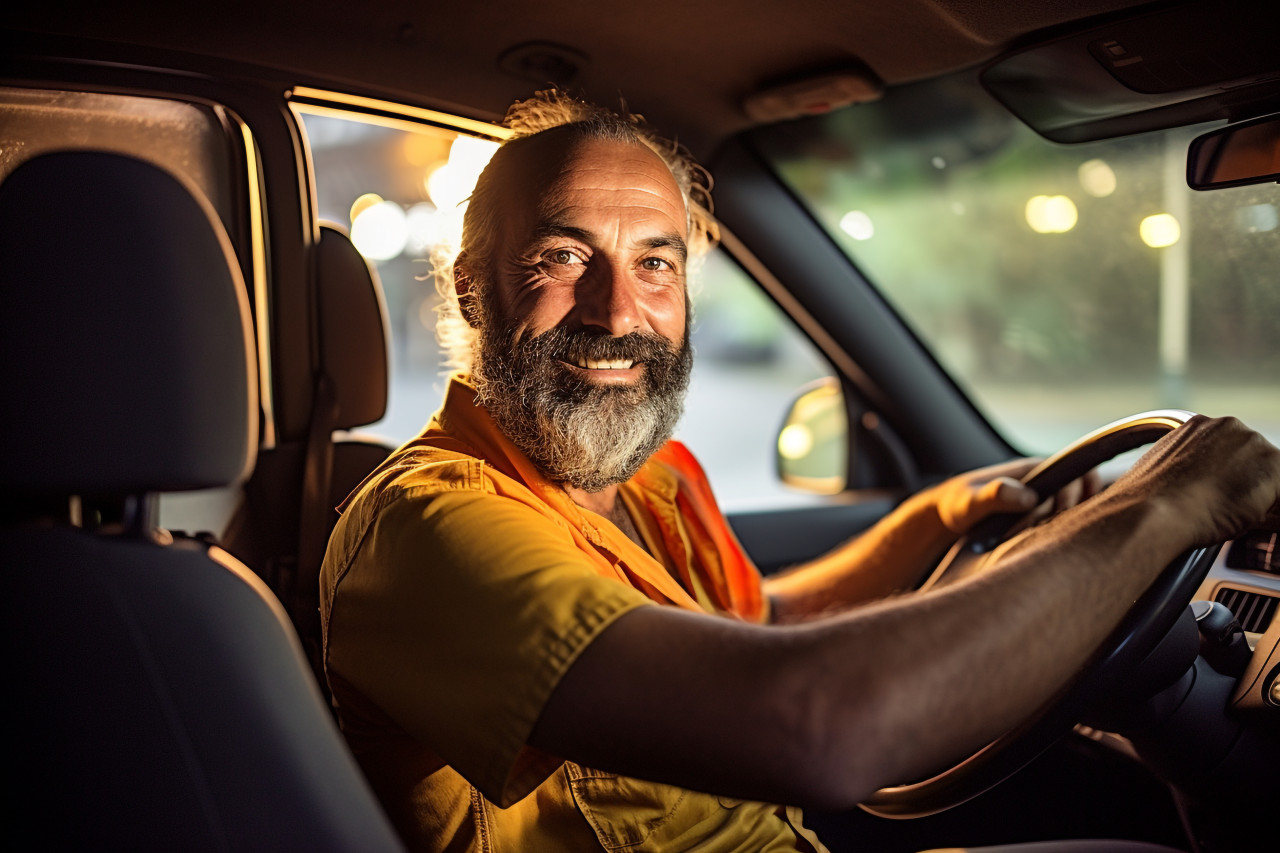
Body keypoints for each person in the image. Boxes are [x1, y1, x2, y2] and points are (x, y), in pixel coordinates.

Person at [319, 91, 1280, 853]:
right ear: (473, 287)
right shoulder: (424, 527)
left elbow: (754, 629)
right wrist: (1161, 504)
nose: (619, 313)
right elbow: (810, 724)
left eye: (655, 263)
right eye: (564, 255)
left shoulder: (646, 478)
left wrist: (935, 523)